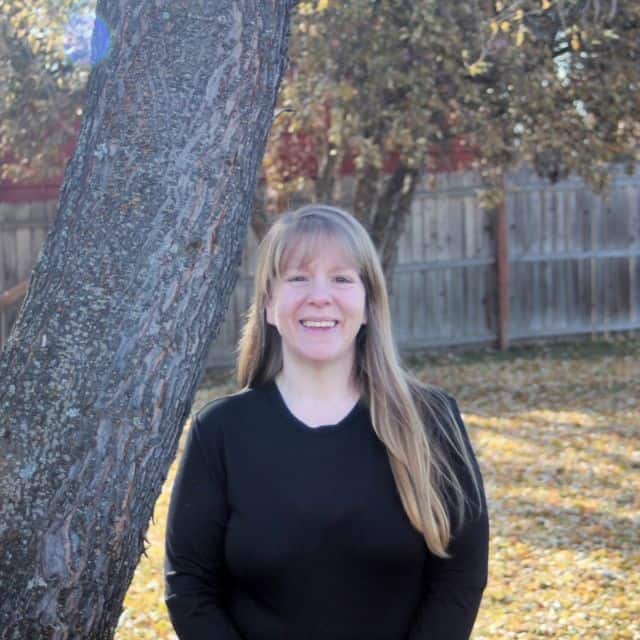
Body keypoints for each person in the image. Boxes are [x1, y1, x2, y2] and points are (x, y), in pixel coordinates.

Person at [164, 204, 490, 640]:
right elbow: (189, 585)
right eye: (298, 278)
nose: (320, 295)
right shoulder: (221, 431)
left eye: (341, 278)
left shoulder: (431, 421)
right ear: (268, 306)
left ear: (369, 303)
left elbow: (459, 579)